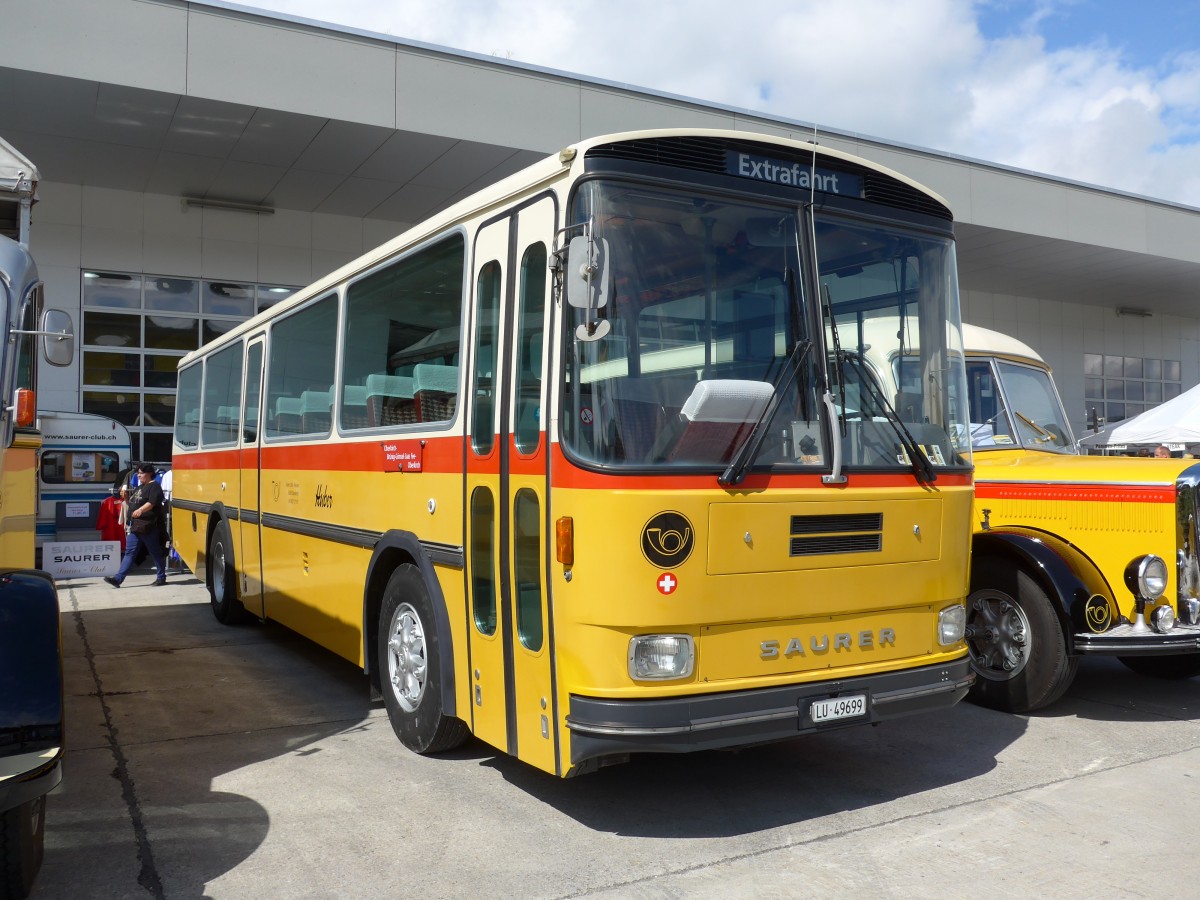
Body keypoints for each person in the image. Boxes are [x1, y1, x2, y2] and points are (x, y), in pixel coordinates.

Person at [104, 463, 168, 588]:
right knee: (130, 552)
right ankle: (118, 579)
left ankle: (161, 577)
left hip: (148, 526)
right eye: (138, 473)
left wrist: (141, 510)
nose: (139, 475)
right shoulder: (140, 487)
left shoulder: (154, 487)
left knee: (155, 552)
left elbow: (152, 502)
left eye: (141, 473)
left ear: (149, 473)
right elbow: (133, 504)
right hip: (135, 526)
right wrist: (126, 498)